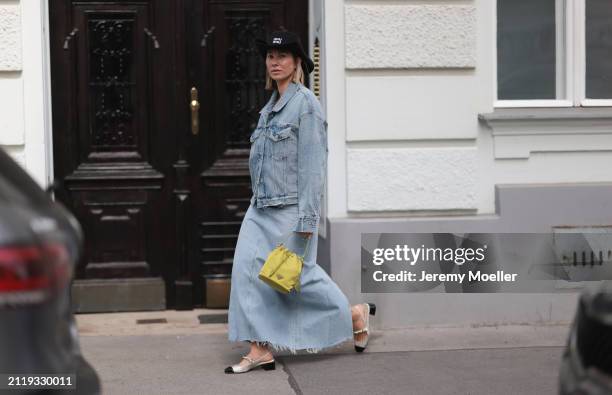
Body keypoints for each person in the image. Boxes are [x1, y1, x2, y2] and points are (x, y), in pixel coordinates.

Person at [225, 30, 376, 374]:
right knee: (246, 274)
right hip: (260, 207)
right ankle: (259, 348)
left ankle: (353, 314)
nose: (274, 62)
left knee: (296, 276)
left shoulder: (305, 104)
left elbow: (312, 168)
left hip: (290, 210)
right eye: (270, 57)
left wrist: (307, 221)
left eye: (282, 56)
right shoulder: (270, 108)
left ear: (296, 64)